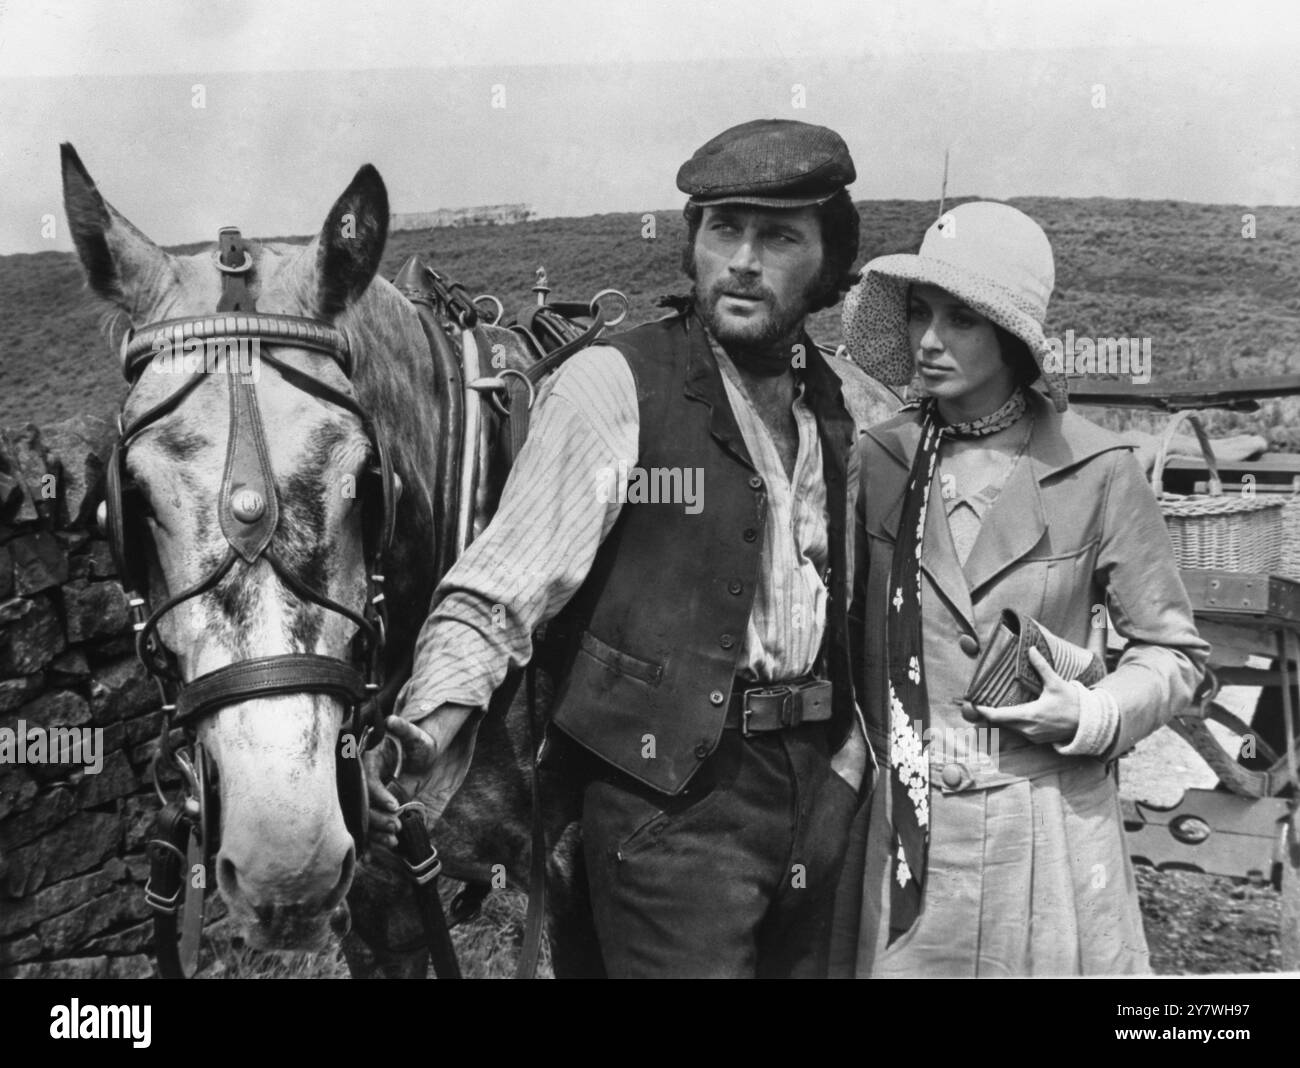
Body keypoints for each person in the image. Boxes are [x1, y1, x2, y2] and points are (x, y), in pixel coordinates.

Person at [369, 119, 885, 978]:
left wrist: (846, 772)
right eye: (724, 229)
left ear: (829, 263)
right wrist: (424, 733)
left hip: (823, 795)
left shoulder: (842, 406)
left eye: (781, 236)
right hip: (670, 807)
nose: (744, 260)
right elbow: (497, 592)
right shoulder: (617, 384)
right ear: (694, 245)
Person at [830, 201, 1210, 977]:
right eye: (919, 314)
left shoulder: (1100, 469)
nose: (929, 341)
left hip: (1045, 830)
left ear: (1011, 336)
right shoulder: (878, 459)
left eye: (962, 320)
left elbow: (1176, 655)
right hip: (904, 836)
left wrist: (1098, 711)